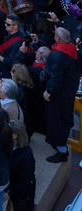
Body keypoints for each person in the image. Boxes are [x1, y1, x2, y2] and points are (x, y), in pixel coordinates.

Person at [42, 26, 80, 163]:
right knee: (64, 120)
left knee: (57, 122)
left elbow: (56, 78)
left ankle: (61, 152)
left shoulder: (57, 55)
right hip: (69, 92)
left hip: (59, 95)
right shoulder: (72, 50)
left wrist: (48, 91)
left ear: (58, 39)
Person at [9, 121, 35, 211]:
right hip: (26, 186)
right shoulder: (26, 150)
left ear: (15, 135)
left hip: (22, 190)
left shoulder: (22, 155)